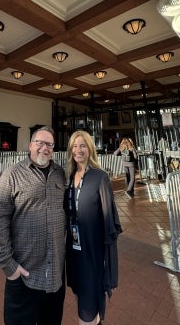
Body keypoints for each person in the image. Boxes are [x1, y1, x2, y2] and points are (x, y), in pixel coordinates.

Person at [0, 126, 66, 325]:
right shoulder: (12, 174)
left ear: (53, 149)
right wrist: (9, 266)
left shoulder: (60, 174)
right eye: (39, 142)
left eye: (49, 144)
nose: (44, 148)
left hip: (55, 274)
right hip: (24, 274)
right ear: (30, 145)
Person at [65, 130, 122, 325]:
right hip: (73, 251)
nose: (78, 150)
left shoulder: (100, 178)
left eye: (82, 146)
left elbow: (110, 226)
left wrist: (111, 274)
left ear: (90, 149)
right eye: (74, 146)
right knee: (82, 297)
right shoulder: (70, 177)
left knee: (87, 310)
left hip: (92, 253)